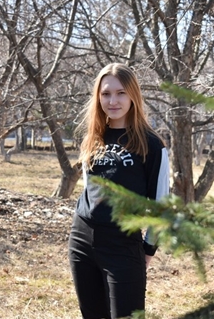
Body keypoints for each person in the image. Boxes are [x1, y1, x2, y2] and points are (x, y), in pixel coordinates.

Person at [68, 63, 170, 318]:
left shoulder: (152, 144)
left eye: (121, 93)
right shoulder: (94, 137)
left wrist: (148, 250)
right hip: (82, 241)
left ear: (133, 95)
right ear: (98, 96)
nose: (113, 100)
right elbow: (89, 189)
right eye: (106, 94)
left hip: (123, 245)